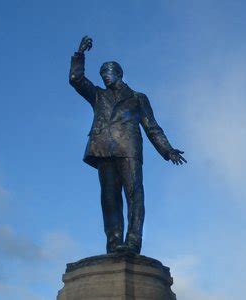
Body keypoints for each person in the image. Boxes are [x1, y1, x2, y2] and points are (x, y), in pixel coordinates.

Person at [69, 36, 187, 254]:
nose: (104, 76)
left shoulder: (137, 98)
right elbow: (76, 79)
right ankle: (114, 244)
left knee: (135, 196)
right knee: (109, 198)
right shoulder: (97, 95)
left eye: (108, 72)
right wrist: (80, 55)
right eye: (102, 73)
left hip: (129, 150)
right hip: (103, 149)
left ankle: (133, 242)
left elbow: (152, 126)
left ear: (119, 74)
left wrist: (167, 149)